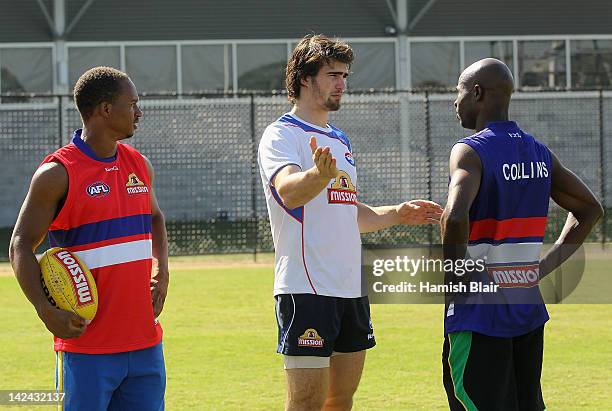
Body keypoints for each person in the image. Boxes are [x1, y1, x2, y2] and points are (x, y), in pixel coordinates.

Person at [258, 34, 443, 410]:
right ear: (305, 79)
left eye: (344, 75)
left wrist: (398, 213)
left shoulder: (339, 140)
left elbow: (347, 212)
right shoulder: (282, 134)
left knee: (341, 399)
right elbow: (289, 192)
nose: (342, 84)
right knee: (307, 401)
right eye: (332, 75)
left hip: (350, 288)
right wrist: (317, 176)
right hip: (306, 288)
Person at [441, 58, 603, 410]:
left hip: (480, 315)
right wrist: (541, 269)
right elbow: (591, 210)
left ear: (478, 93)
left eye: (459, 91)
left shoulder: (470, 150)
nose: (456, 101)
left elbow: (455, 216)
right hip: (526, 310)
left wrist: (457, 275)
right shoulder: (538, 152)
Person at [9, 66, 169, 411]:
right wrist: (43, 308)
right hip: (87, 348)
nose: (139, 112)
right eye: (133, 103)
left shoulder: (140, 165)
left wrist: (162, 271)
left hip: (145, 343)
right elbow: (20, 243)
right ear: (106, 110)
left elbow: (155, 218)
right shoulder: (57, 173)